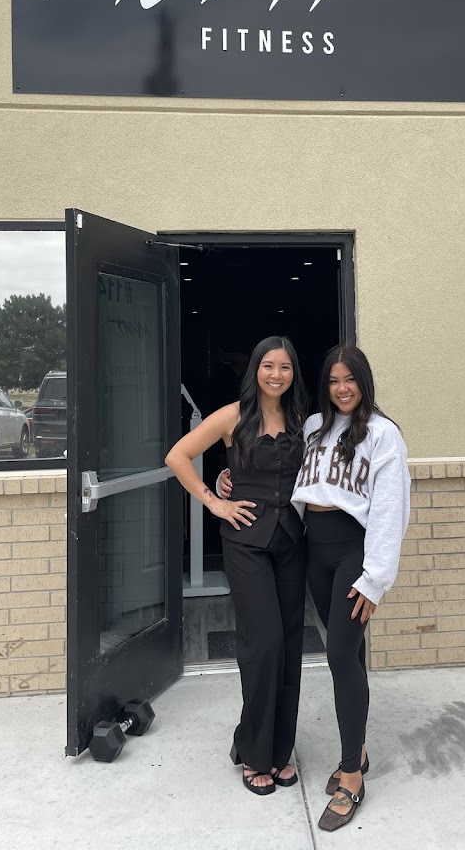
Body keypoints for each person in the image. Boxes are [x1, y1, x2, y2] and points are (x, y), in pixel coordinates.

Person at [221, 344, 410, 830]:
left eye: (350, 379)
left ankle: (351, 777)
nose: (342, 388)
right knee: (349, 654)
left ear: (364, 382)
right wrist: (229, 477)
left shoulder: (383, 434)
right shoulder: (312, 428)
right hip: (313, 551)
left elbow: (391, 509)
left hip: (353, 554)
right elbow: (280, 474)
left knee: (340, 655)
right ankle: (358, 750)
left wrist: (375, 577)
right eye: (333, 380)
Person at [165, 336, 308, 796]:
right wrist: (215, 501)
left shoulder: (302, 419)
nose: (276, 375)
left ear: (293, 373)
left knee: (289, 646)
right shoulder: (233, 416)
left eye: (285, 367)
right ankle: (252, 750)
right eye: (268, 366)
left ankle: (280, 751)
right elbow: (177, 456)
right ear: (255, 370)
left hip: (291, 541)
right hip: (246, 542)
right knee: (263, 644)